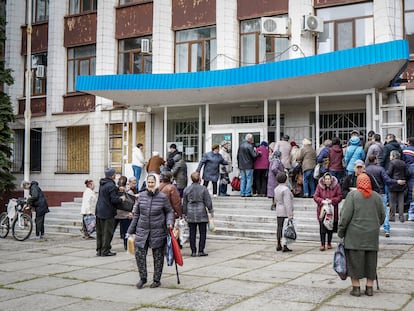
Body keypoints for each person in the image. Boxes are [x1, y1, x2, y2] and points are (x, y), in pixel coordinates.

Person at [338, 173, 385, 297]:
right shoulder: (376, 197)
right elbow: (382, 216)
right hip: (371, 236)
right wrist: (374, 226)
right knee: (371, 262)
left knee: (354, 263)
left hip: (354, 236)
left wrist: (341, 232)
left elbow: (345, 217)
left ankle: (356, 288)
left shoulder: (352, 195)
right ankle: (369, 288)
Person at [127, 174, 174, 289]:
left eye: (152, 182)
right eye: (149, 182)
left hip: (158, 231)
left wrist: (169, 222)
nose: (150, 184)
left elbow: (169, 211)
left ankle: (156, 280)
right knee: (139, 255)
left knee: (158, 257)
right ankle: (143, 278)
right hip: (142, 230)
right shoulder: (141, 196)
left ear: (156, 183)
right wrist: (130, 230)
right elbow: (136, 214)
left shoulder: (162, 197)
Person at [365, 155, 405, 237]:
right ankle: (386, 229)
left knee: (370, 212)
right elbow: (387, 180)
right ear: (375, 160)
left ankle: (371, 229)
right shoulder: (380, 169)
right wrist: (397, 181)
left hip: (370, 193)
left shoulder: (366, 170)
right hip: (380, 192)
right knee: (384, 211)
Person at [183, 172, 214, 257]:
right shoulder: (203, 189)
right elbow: (208, 201)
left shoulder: (187, 189)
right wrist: (211, 211)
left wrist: (184, 213)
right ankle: (201, 250)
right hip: (201, 212)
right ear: (199, 179)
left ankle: (193, 251)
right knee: (202, 233)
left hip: (190, 212)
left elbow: (184, 203)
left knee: (192, 233)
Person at [95, 168, 125, 257]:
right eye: (115, 174)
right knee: (107, 232)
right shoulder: (111, 185)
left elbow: (109, 193)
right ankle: (105, 250)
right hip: (107, 211)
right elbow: (113, 199)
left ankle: (99, 250)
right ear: (113, 175)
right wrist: (121, 199)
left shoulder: (102, 183)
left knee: (100, 232)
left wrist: (118, 189)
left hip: (99, 210)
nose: (115, 175)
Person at [313, 172, 342, 251]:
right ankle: (322, 244)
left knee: (330, 227)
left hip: (332, 210)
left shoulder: (336, 186)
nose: (327, 180)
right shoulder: (319, 186)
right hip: (322, 210)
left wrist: (332, 201)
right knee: (322, 227)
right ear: (324, 180)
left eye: (329, 179)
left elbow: (339, 196)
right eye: (326, 179)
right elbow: (315, 196)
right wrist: (322, 201)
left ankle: (329, 243)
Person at [274, 172, 294, 252]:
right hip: (284, 210)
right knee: (286, 229)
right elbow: (287, 203)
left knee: (279, 227)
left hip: (278, 209)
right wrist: (290, 215)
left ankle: (278, 243)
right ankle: (285, 245)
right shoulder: (285, 189)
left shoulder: (276, 188)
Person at [387, 150, 408, 222]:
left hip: (393, 184)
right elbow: (407, 173)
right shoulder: (403, 163)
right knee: (401, 201)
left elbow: (389, 173)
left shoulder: (392, 163)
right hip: (402, 184)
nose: (389, 157)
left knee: (392, 201)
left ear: (393, 156)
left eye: (390, 155)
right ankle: (401, 217)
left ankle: (392, 217)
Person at [113, 176, 133, 251]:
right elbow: (132, 203)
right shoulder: (129, 191)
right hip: (125, 215)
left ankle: (106, 245)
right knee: (126, 232)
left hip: (117, 214)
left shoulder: (115, 191)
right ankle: (126, 246)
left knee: (112, 230)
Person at [402, 137, 414, 203]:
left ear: (408, 142)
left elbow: (403, 159)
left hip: (407, 167)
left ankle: (407, 202)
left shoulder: (405, 150)